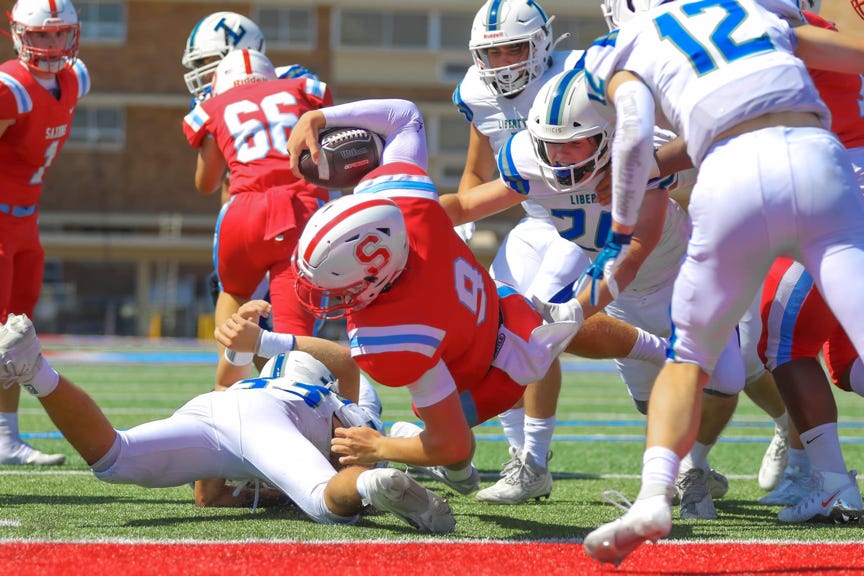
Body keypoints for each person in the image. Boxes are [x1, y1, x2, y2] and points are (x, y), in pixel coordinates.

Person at [565, 0, 864, 565]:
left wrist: (623, 229)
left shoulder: (626, 43)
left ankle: (655, 494)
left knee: (689, 359)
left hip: (730, 173)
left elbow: (632, 132)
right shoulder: (752, 8)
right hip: (818, 157)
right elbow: (853, 56)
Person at [444, 66, 744, 519]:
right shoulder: (529, 157)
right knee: (651, 400)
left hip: (686, 279)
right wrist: (402, 216)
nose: (561, 157)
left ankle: (695, 467)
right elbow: (467, 203)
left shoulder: (645, 154)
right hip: (621, 292)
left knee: (726, 382)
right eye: (552, 145)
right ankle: (686, 459)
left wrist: (574, 309)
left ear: (607, 136)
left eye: (575, 143)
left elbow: (634, 250)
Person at [281, 98, 582, 485]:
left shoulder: (394, 335)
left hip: (495, 376)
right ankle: (650, 348)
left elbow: (454, 444)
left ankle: (456, 475)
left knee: (439, 431)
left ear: (373, 278)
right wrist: (318, 117)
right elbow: (404, 115)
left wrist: (381, 446)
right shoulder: (407, 204)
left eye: (341, 285)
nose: (332, 294)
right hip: (509, 310)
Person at [451, 0, 668, 505]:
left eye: (512, 48)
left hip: (584, 221)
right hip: (535, 219)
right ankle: (521, 459)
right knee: (496, 327)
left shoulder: (583, 72)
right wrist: (463, 225)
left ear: (542, 42)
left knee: (536, 324)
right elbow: (476, 170)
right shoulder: (474, 91)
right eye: (492, 52)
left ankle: (536, 459)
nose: (503, 62)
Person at [0, 313, 455, 533]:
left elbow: (207, 495)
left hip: (217, 410)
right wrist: (266, 338)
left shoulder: (250, 385)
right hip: (276, 422)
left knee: (115, 458)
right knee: (326, 502)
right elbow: (345, 364)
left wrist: (244, 345)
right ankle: (373, 485)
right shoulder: (344, 407)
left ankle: (34, 368)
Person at [754, 9, 864, 522]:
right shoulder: (833, 34)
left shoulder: (779, 33)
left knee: (784, 342)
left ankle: (835, 486)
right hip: (842, 178)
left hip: (833, 190)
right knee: (846, 359)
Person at [182, 49, 332, 392]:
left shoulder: (215, 105)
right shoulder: (301, 89)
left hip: (242, 210)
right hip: (299, 206)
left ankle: (226, 386)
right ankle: (295, 396)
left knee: (232, 292)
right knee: (295, 336)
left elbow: (206, 182)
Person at [0, 0, 90, 466]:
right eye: (42, 35)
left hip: (26, 221)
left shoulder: (76, 78)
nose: (53, 45)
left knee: (16, 334)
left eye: (61, 34)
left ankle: (4, 438)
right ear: (18, 35)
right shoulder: (10, 87)